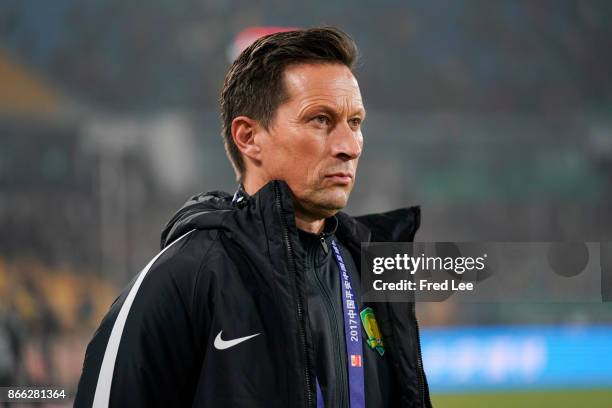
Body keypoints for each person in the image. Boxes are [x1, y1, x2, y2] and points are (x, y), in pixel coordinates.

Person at [75, 27, 431, 408]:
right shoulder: (182, 279)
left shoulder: (371, 272)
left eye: (355, 123)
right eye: (321, 120)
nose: (349, 146)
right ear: (248, 137)